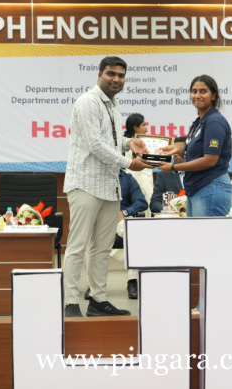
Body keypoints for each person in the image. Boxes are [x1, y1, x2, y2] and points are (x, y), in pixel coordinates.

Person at [63, 56, 152, 318]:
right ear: (99, 74)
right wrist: (129, 162)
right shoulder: (88, 102)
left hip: (110, 186)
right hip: (86, 184)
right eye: (111, 74)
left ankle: (98, 300)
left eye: (121, 75)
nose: (116, 79)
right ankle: (70, 302)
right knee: (78, 245)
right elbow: (94, 144)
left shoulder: (113, 104)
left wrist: (128, 143)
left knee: (101, 248)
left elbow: (109, 139)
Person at [159, 75, 232, 217]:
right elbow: (199, 153)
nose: (197, 95)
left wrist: (174, 167)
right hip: (197, 187)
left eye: (203, 91)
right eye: (194, 91)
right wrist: (179, 150)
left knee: (205, 232)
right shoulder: (200, 122)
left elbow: (209, 160)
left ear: (213, 95)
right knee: (196, 232)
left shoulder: (214, 121)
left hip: (210, 186)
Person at [84, 169, 148, 300]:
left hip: (121, 218)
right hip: (99, 219)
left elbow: (141, 202)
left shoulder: (128, 178)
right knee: (88, 237)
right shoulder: (94, 176)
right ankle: (93, 284)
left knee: (133, 233)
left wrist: (125, 212)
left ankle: (133, 281)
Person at [124, 113, 154, 217]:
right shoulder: (125, 145)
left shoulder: (147, 143)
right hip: (133, 182)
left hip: (147, 181)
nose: (146, 129)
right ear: (136, 128)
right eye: (143, 125)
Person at [150, 136, 186, 214]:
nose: (175, 154)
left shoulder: (199, 173)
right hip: (173, 217)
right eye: (173, 151)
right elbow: (155, 203)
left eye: (179, 150)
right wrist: (167, 209)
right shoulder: (163, 175)